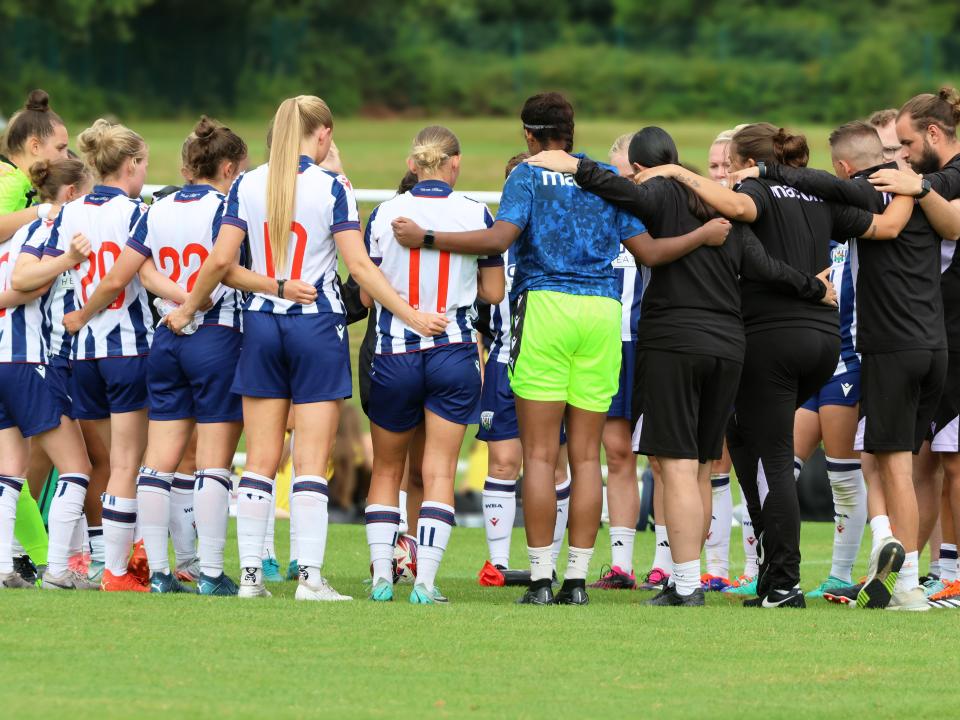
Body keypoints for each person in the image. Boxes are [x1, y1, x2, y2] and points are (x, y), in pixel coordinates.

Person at [391, 92, 723, 606]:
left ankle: (542, 579)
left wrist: (428, 236)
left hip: (546, 308)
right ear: (572, 130)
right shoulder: (599, 177)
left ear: (528, 134)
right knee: (587, 458)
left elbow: (498, 239)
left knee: (542, 457)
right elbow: (650, 252)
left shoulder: (525, 175)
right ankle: (576, 581)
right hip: (601, 315)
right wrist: (703, 234)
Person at [528, 126, 835, 605]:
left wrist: (579, 167)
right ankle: (699, 574)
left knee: (672, 466)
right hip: (730, 346)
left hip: (674, 341)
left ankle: (687, 584)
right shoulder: (722, 202)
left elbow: (619, 192)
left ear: (639, 168)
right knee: (700, 469)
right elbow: (759, 264)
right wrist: (814, 287)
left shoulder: (653, 194)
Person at [165, 95, 447, 602]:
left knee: (259, 461)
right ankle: (309, 579)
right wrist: (410, 315)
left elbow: (220, 265)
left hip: (261, 327)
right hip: (315, 329)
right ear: (322, 134)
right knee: (311, 461)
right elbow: (359, 268)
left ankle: (250, 576)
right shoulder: (331, 185)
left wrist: (188, 310)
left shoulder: (249, 184)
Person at [638, 123, 912, 608]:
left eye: (728, 164)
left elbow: (736, 218)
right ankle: (770, 569)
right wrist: (910, 184)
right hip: (822, 340)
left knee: (777, 459)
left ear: (749, 162)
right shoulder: (816, 197)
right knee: (744, 440)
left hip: (771, 337)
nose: (723, 174)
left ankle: (785, 583)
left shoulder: (753, 194)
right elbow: (885, 226)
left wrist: (677, 173)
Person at [732, 120, 960, 610]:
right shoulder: (920, 191)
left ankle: (904, 578)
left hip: (887, 346)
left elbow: (836, 198)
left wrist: (772, 175)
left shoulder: (869, 191)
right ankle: (899, 562)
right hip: (934, 346)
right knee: (893, 462)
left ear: (843, 166)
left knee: (888, 465)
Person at [63, 116, 264, 595]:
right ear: (230, 168)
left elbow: (134, 272)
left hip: (166, 338)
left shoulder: (156, 206)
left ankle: (156, 571)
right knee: (214, 461)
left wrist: (176, 305)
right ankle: (211, 572)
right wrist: (201, 301)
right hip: (215, 334)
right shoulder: (230, 205)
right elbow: (230, 268)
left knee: (157, 461)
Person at [362, 125, 504, 604]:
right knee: (440, 471)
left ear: (412, 163)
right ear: (455, 163)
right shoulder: (474, 213)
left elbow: (365, 292)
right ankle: (425, 582)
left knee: (387, 470)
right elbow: (494, 292)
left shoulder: (384, 213)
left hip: (394, 352)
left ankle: (384, 578)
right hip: (454, 349)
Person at [15, 120, 157, 591]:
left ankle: (96, 560)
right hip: (128, 350)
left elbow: (29, 274)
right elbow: (130, 279)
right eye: (143, 165)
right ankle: (118, 569)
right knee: (124, 464)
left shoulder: (67, 213)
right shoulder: (137, 213)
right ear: (131, 165)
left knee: (97, 464)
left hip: (82, 358)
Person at [869, 88, 960, 608]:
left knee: (945, 462)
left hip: (943, 335)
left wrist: (919, 186)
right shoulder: (933, 178)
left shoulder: (943, 177)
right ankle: (910, 575)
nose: (900, 155)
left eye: (905, 144)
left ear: (931, 133)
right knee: (919, 462)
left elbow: (953, 223)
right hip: (936, 332)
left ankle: (944, 574)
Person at [475, 153, 573, 588]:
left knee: (555, 464)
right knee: (503, 462)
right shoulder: (495, 242)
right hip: (502, 363)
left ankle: (547, 561)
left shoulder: (558, 238)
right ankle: (498, 564)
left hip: (552, 361)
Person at [0, 157, 96, 590]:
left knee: (11, 468)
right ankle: (60, 570)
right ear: (72, 192)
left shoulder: (17, 232)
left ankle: (5, 567)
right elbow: (23, 278)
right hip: (26, 361)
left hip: (6, 359)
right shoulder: (50, 229)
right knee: (76, 468)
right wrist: (67, 261)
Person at [0, 89, 70, 580]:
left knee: (13, 461)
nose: (65, 157)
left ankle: (23, 556)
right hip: (13, 346)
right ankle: (47, 557)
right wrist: (44, 214)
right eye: (61, 148)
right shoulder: (8, 182)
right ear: (34, 147)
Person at [590, 132, 646, 591]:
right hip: (608, 340)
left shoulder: (662, 210)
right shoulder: (599, 212)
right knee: (616, 453)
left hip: (651, 343)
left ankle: (668, 561)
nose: (624, 183)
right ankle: (622, 564)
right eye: (616, 175)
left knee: (667, 459)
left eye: (629, 174)